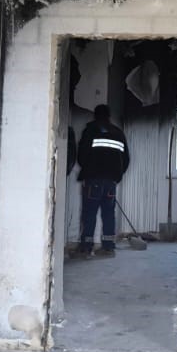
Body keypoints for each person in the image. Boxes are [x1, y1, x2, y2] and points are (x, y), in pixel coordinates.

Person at [75, 103, 130, 257]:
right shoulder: (118, 133)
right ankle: (108, 248)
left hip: (93, 179)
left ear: (95, 115)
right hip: (111, 182)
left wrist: (89, 170)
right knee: (108, 214)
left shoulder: (91, 130)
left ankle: (86, 248)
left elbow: (82, 155)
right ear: (109, 116)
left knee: (89, 213)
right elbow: (126, 159)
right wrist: (116, 176)